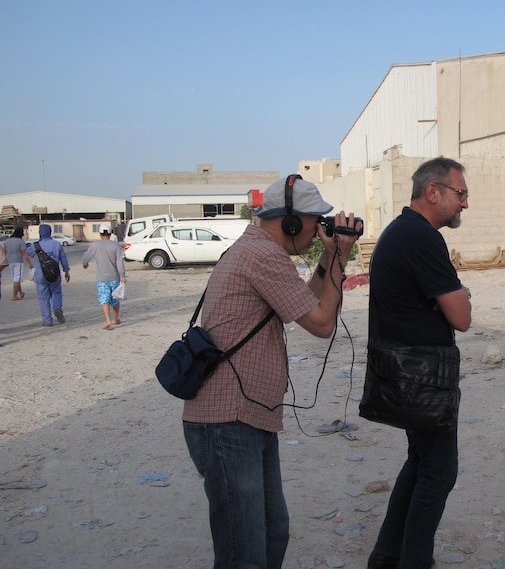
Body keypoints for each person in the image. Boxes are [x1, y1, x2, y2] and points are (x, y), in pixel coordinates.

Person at [182, 175, 361, 569]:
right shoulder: (262, 256)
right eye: (316, 222)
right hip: (228, 421)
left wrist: (331, 258)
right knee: (243, 548)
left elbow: (306, 300)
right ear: (292, 222)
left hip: (249, 417)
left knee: (271, 532)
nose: (319, 231)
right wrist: (340, 257)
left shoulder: (260, 251)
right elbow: (321, 323)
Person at [366, 157, 472, 569]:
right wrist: (459, 294)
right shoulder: (422, 238)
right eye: (459, 194)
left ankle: (387, 556)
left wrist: (453, 296)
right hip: (422, 379)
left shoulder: (401, 231)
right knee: (438, 473)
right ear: (433, 192)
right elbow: (461, 317)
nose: (464, 203)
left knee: (421, 464)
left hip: (407, 375)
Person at [26, 224, 71, 327]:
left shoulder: (35, 246)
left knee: (43, 298)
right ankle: (57, 308)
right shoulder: (56, 244)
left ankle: (47, 320)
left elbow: (28, 253)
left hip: (41, 275)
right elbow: (63, 258)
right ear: (50, 232)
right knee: (57, 292)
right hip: (55, 274)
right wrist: (66, 271)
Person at [82, 225, 126, 329]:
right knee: (115, 298)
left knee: (104, 299)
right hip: (114, 277)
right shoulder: (116, 246)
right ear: (110, 234)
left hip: (102, 278)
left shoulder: (95, 245)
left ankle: (107, 320)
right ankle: (115, 319)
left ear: (100, 234)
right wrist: (122, 275)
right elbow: (120, 262)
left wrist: (85, 263)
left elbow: (86, 256)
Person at [5, 228, 34, 300]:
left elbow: (5, 251)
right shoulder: (21, 241)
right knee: (17, 278)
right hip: (18, 261)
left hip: (10, 261)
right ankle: (14, 296)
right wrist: (29, 263)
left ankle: (20, 293)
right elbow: (24, 253)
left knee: (15, 278)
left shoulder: (7, 241)